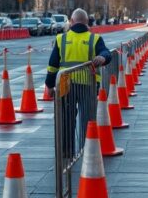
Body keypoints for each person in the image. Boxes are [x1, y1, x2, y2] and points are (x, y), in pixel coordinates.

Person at [45, 8, 112, 151]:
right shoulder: (94, 38)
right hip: (88, 85)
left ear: (71, 21)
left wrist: (50, 86)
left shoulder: (60, 39)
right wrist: (103, 57)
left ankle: (66, 153)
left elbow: (52, 66)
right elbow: (106, 53)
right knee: (88, 120)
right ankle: (88, 150)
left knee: (66, 120)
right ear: (87, 22)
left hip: (65, 86)